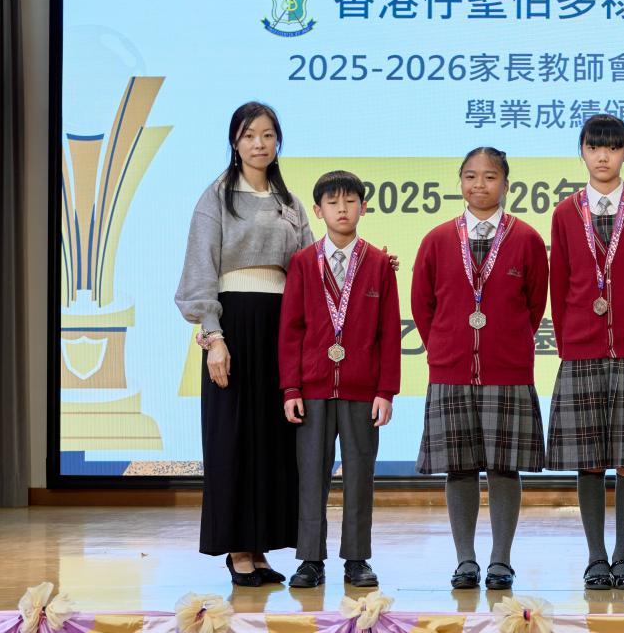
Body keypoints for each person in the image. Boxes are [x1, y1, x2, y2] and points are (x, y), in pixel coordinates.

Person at [175, 101, 313, 586]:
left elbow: (307, 268)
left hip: (281, 323)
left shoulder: (290, 203)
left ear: (278, 142)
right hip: (233, 323)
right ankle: (237, 550)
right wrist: (214, 336)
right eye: (250, 135)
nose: (259, 144)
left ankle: (260, 546)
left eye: (268, 135)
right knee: (232, 436)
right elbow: (200, 270)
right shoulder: (215, 197)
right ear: (235, 142)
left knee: (273, 438)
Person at [411, 147, 549, 591]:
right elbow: (422, 305)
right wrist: (444, 346)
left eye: (490, 177)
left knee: (505, 467)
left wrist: (504, 344)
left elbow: (534, 304)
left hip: (507, 372)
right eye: (470, 176)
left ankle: (501, 560)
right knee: (459, 467)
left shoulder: (526, 239)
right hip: (450, 371)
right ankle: (465, 561)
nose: (479, 185)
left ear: (506, 184)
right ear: (460, 182)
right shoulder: (437, 239)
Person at [546, 114, 624, 591]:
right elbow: (560, 286)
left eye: (613, 147)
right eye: (594, 147)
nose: (603, 156)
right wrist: (570, 342)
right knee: (590, 458)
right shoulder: (565, 212)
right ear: (581, 152)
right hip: (582, 348)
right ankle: (596, 558)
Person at [279, 170, 401, 589]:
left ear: (363, 207)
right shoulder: (302, 263)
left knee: (359, 475)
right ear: (318, 211)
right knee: (311, 475)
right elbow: (291, 330)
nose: (342, 209)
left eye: (350, 201)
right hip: (312, 389)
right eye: (332, 203)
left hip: (362, 391)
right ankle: (310, 559)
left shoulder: (379, 264)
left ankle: (357, 559)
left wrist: (386, 391)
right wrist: (291, 388)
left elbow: (389, 332)